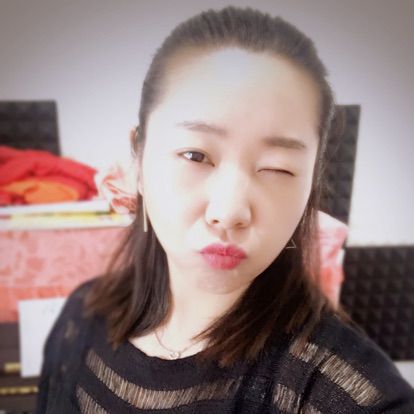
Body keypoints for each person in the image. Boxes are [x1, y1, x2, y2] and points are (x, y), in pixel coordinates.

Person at [36, 6, 414, 413]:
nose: (230, 211)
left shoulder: (342, 391)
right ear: (139, 160)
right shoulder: (81, 317)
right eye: (195, 155)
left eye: (278, 168)